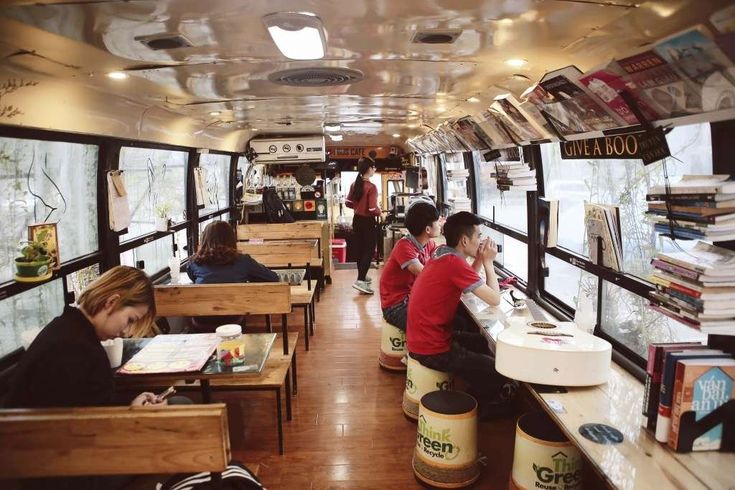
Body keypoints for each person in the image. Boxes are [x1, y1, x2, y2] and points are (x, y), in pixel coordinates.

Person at [5, 265, 165, 410]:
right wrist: (134, 414)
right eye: (130, 320)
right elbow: (96, 429)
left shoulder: (62, 327)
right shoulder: (82, 352)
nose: (126, 331)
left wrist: (132, 405)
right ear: (112, 302)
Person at [406, 211, 516, 418]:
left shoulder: (442, 253)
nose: (482, 242)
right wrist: (488, 263)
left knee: (480, 342)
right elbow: (494, 298)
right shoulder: (453, 263)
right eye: (479, 237)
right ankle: (475, 410)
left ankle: (475, 389)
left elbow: (465, 279)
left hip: (423, 336)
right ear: (465, 240)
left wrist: (480, 260)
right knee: (497, 371)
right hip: (431, 347)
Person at [187, 220, 278, 330]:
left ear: (204, 239)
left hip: (200, 322)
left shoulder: (194, 262)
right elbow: (272, 278)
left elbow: (193, 277)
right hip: (233, 321)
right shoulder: (243, 261)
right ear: (231, 239)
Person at [379, 201, 441, 331]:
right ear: (428, 229)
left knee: (454, 319)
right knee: (439, 326)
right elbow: (426, 275)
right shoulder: (404, 246)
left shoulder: (428, 244)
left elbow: (443, 260)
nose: (440, 224)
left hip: (413, 299)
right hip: (396, 307)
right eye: (437, 221)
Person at [345, 157, 381, 294]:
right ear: (369, 169)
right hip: (367, 222)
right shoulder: (371, 187)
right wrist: (380, 212)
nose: (375, 169)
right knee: (369, 251)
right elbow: (372, 210)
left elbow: (348, 202)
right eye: (373, 167)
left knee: (360, 250)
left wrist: (357, 206)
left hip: (357, 220)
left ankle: (362, 276)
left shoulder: (355, 184)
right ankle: (360, 280)